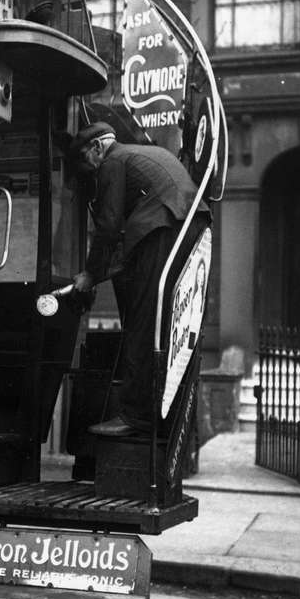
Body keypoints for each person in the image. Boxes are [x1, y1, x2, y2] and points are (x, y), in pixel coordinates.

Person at [70, 121, 211, 437]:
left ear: (96, 148)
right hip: (192, 224)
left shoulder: (113, 162)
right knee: (168, 320)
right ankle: (163, 413)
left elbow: (106, 227)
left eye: (85, 161)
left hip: (163, 227)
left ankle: (135, 416)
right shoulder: (145, 153)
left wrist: (90, 275)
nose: (89, 170)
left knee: (142, 317)